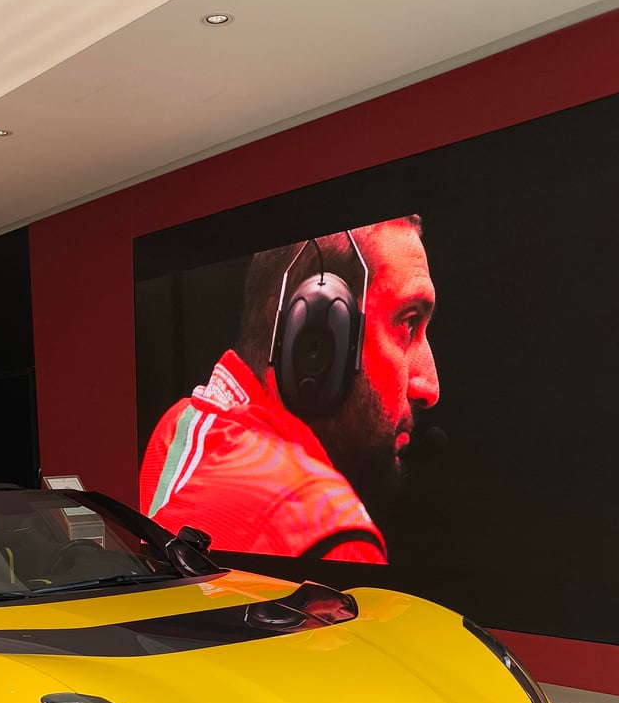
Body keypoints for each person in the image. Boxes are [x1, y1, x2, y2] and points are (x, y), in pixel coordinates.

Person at [139, 217, 439, 563]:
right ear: (318, 341)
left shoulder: (184, 423)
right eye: (408, 322)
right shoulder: (328, 530)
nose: (430, 386)